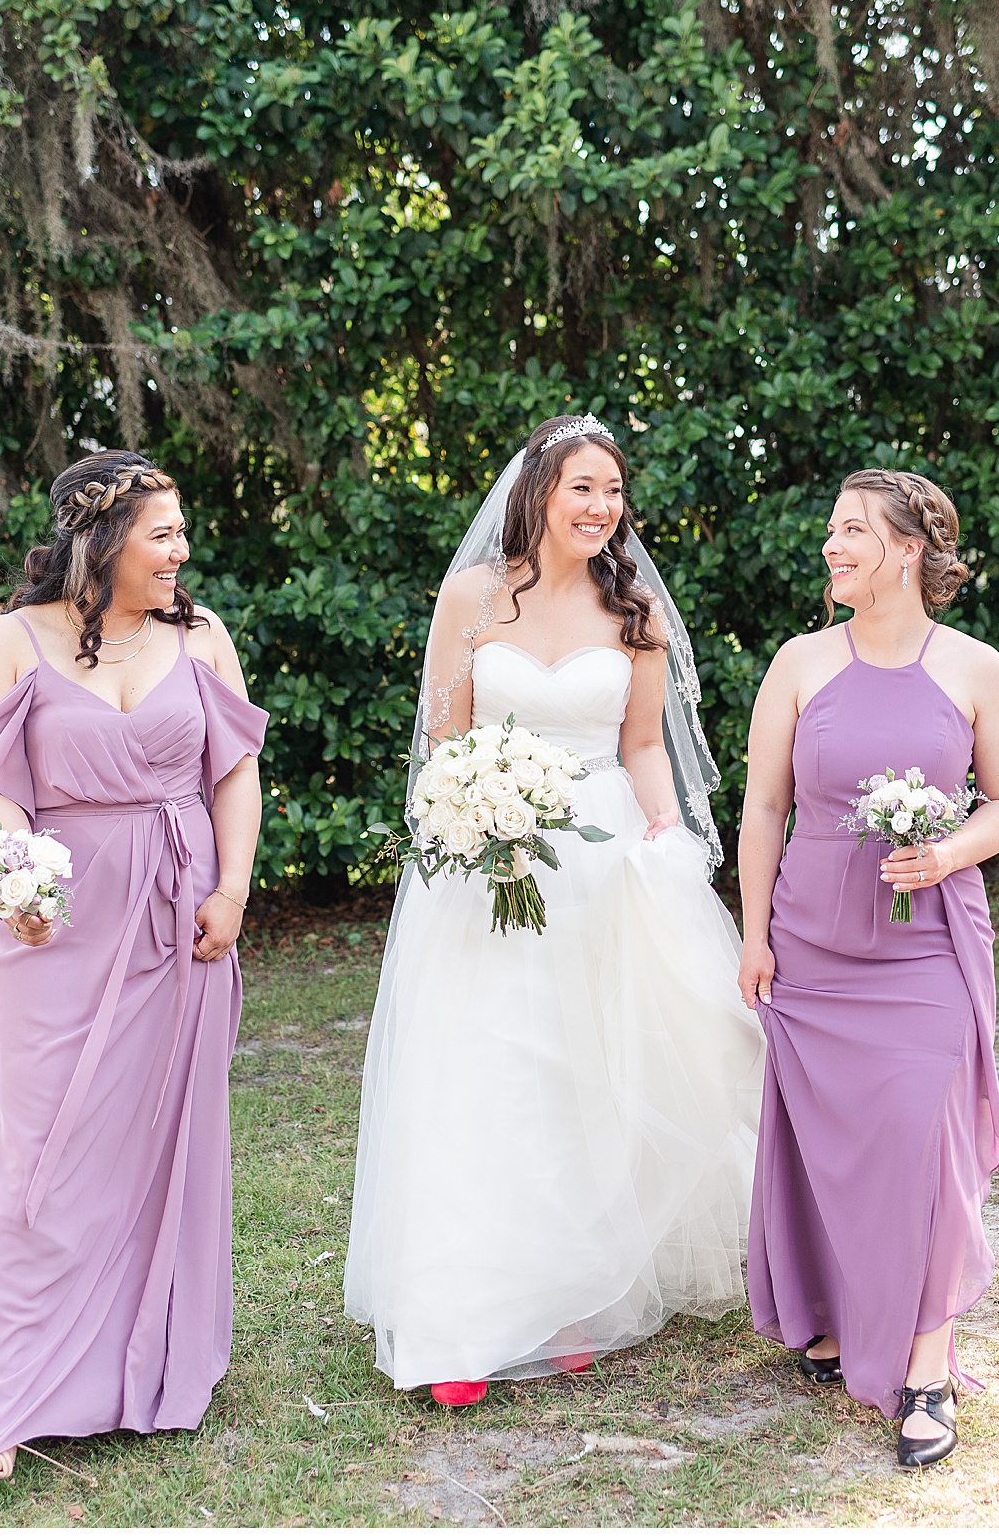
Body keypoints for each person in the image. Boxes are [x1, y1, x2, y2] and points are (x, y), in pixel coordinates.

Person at [344, 414, 765, 1406]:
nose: (603, 506)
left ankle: (569, 1291)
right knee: (484, 1067)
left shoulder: (635, 610)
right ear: (538, 493)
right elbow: (444, 733)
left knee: (583, 1068)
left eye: (615, 490)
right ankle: (461, 1311)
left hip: (599, 853)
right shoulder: (470, 596)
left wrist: (665, 835)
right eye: (584, 486)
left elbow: (645, 745)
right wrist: (465, 818)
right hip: (486, 857)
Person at [0, 451, 267, 1480]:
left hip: (182, 915)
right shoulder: (7, 642)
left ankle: (141, 1369)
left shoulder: (201, 637)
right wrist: (16, 880)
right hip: (57, 924)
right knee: (34, 1150)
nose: (182, 551)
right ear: (103, 538)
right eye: (163, 533)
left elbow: (237, 772)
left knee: (156, 1142)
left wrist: (236, 885)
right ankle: (1, 1393)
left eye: (181, 533)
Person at [737, 468, 999, 1470]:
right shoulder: (800, 663)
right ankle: (825, 1312)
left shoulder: (976, 667)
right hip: (812, 944)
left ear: (908, 547)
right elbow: (764, 806)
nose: (832, 544)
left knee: (925, 1138)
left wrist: (945, 853)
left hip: (926, 946)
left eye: (852, 529)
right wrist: (753, 931)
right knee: (828, 1133)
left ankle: (928, 1364)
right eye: (830, 529)